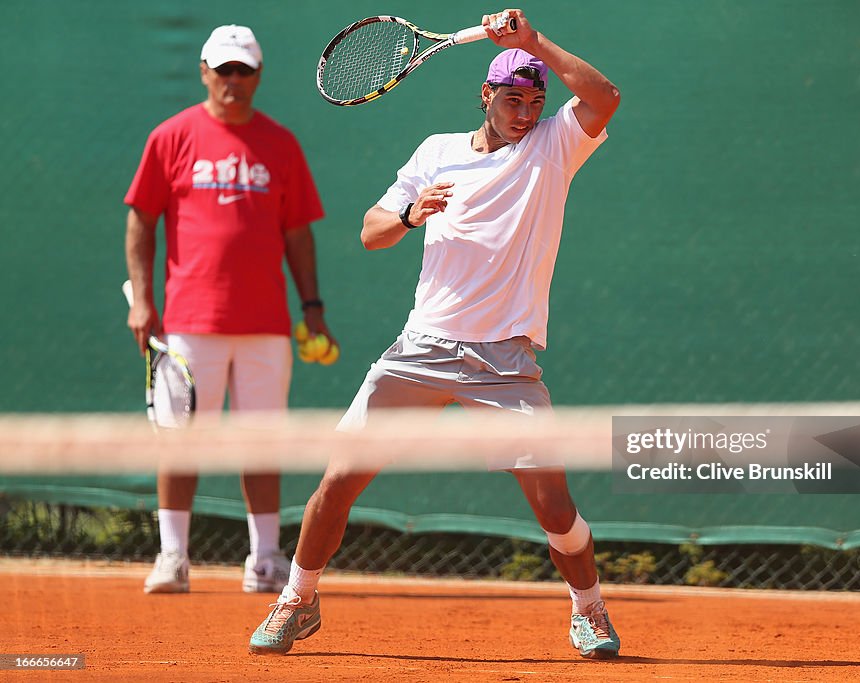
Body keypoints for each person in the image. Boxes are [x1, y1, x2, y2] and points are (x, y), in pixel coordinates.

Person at [248, 9, 620, 658]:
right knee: (336, 482)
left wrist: (533, 43)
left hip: (504, 360)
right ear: (486, 96)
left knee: (554, 504)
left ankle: (589, 609)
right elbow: (370, 232)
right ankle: (296, 600)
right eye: (513, 99)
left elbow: (605, 96)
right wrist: (409, 214)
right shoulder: (436, 152)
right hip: (421, 349)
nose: (526, 111)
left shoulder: (554, 146)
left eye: (535, 100)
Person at [124, 25, 335, 595]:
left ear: (258, 75)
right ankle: (173, 558)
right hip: (189, 322)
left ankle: (265, 558)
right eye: (223, 69)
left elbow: (298, 233)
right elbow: (142, 219)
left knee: (260, 441)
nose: (233, 81)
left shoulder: (282, 144)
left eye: (243, 70)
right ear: (204, 72)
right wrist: (143, 299)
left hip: (266, 325)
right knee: (180, 440)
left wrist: (311, 305)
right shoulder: (171, 137)